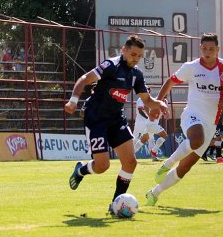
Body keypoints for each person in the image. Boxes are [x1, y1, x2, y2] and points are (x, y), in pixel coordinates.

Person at [64, 35, 167, 214]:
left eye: (139, 56)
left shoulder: (136, 75)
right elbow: (83, 79)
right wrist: (73, 101)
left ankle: (115, 205)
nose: (136, 59)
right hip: (95, 118)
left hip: (116, 120)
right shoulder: (111, 65)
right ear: (124, 50)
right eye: (133, 54)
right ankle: (80, 171)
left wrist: (159, 104)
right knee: (102, 166)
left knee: (130, 162)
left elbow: (147, 99)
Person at [146, 33, 223, 206]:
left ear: (218, 50)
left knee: (185, 167)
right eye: (204, 48)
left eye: (211, 49)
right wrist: (158, 102)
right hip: (192, 114)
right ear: (200, 49)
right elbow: (170, 82)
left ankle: (154, 193)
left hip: (211, 122)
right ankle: (167, 163)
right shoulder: (191, 67)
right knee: (196, 139)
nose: (208, 52)